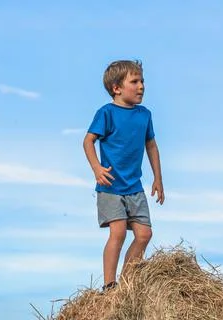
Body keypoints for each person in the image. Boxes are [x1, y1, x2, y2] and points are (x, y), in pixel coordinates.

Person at [83, 60, 165, 291]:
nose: (141, 86)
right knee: (117, 232)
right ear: (116, 88)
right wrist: (97, 168)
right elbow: (88, 141)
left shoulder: (144, 115)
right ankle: (110, 286)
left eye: (142, 81)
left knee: (144, 234)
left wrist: (158, 178)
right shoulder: (106, 113)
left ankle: (126, 286)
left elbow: (151, 146)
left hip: (134, 186)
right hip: (110, 186)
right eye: (135, 82)